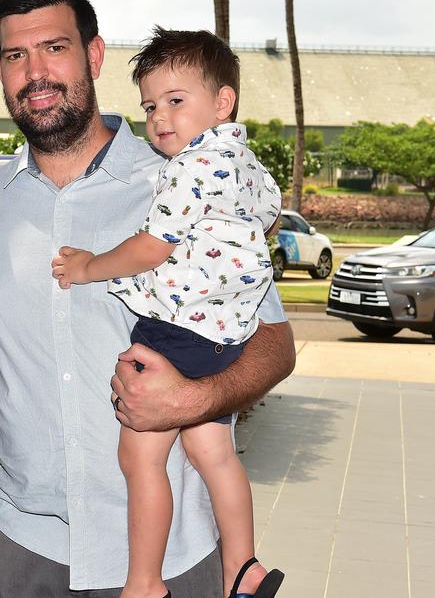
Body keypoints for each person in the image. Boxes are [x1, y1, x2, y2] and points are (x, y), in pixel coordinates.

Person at [0, 0, 295, 598]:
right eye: (14, 55)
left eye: (54, 47)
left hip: (170, 557)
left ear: (94, 55)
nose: (35, 71)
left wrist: (197, 400)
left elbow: (274, 343)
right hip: (24, 546)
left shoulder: (181, 182)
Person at [50, 29, 283, 598]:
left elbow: (152, 247)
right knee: (213, 452)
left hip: (174, 328)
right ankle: (243, 567)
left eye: (176, 101)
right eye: (151, 106)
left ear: (222, 101)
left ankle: (144, 581)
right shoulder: (246, 162)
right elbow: (271, 218)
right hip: (224, 334)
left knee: (139, 456)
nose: (160, 118)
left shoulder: (189, 166)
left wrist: (88, 266)